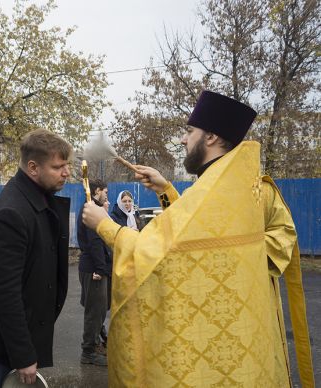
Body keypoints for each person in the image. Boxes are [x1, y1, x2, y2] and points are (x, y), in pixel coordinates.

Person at [82, 90, 314, 387]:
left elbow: (156, 253)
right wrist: (165, 190)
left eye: (189, 132)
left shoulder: (210, 195)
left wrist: (104, 226)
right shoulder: (256, 189)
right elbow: (202, 235)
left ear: (212, 137)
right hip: (248, 343)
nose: (182, 140)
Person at [0, 129, 72, 387]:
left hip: (18, 330)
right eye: (58, 166)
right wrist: (23, 355)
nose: (66, 172)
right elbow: (4, 292)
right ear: (33, 168)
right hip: (5, 337)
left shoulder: (37, 199)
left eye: (67, 165)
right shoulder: (12, 213)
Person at [77, 179, 109, 366]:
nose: (106, 195)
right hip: (93, 269)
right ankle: (88, 352)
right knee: (94, 312)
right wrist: (100, 268)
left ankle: (95, 344)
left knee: (98, 310)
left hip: (93, 266)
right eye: (105, 191)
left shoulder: (91, 207)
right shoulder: (91, 209)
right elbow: (95, 240)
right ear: (97, 191)